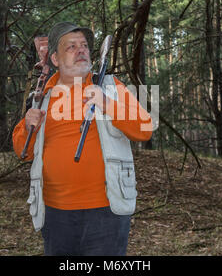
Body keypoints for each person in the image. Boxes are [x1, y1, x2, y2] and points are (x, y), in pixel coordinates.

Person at [12, 21, 153, 256]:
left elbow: (144, 129)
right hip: (55, 212)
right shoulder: (41, 97)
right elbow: (23, 152)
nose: (81, 50)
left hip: (106, 210)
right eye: (71, 47)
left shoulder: (109, 86)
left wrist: (107, 104)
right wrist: (28, 126)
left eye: (85, 45)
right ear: (55, 59)